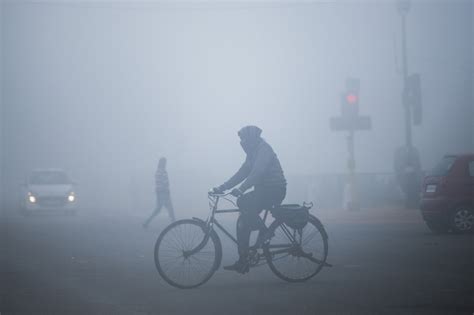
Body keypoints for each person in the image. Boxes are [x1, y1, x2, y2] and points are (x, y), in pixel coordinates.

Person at [213, 126, 286, 273]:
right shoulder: (252, 153)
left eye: (245, 139)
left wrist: (242, 189)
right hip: (262, 191)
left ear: (253, 138)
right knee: (242, 222)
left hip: (275, 190)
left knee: (243, 201)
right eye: (242, 140)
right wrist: (223, 187)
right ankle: (243, 260)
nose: (243, 142)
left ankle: (265, 232)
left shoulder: (264, 149)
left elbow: (257, 172)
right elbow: (243, 172)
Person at [143, 157, 175, 228]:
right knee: (170, 208)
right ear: (162, 163)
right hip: (163, 193)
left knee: (158, 209)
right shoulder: (161, 171)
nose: (165, 164)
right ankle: (174, 223)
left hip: (160, 192)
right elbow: (164, 182)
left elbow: (161, 183)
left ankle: (146, 222)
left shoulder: (159, 171)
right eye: (164, 162)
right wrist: (166, 190)